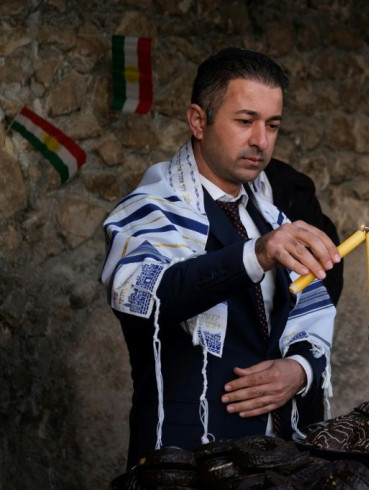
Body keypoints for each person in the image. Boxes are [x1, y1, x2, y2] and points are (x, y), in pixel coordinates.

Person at [101, 48, 342, 468]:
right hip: (181, 458)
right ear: (198, 121)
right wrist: (257, 253)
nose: (261, 142)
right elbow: (151, 297)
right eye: (245, 121)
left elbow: (312, 309)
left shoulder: (271, 214)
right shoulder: (148, 210)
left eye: (272, 125)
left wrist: (299, 369)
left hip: (275, 458)